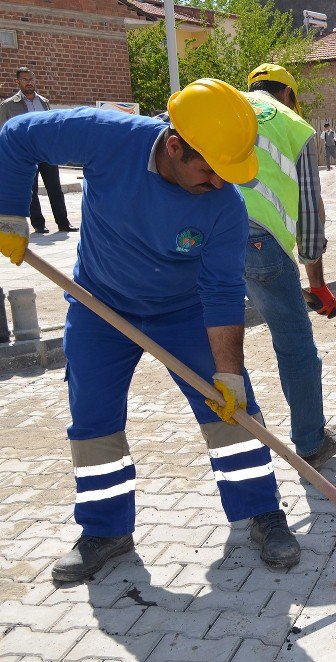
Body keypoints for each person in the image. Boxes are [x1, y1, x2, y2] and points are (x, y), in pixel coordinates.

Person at [0, 78, 303, 581]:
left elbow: (223, 294)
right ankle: (105, 530)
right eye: (208, 169)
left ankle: (261, 512)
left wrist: (228, 375)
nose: (218, 182)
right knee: (93, 421)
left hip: (181, 312)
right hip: (100, 305)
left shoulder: (225, 207)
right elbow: (17, 135)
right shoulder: (107, 137)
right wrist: (9, 210)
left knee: (232, 411)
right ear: (175, 145)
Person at [242, 63, 336, 468]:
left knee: (218, 349)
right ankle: (310, 440)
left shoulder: (223, 108)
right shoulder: (294, 125)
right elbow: (308, 210)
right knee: (294, 345)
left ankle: (245, 451)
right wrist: (317, 283)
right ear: (288, 95)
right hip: (260, 243)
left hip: (207, 240)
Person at [0, 67, 76, 233]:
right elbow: (3, 131)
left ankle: (63, 222)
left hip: (46, 152)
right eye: (25, 79)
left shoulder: (43, 101)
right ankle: (39, 224)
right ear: (18, 82)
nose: (29, 82)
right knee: (31, 190)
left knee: (55, 187)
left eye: (31, 79)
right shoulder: (8, 105)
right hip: (25, 154)